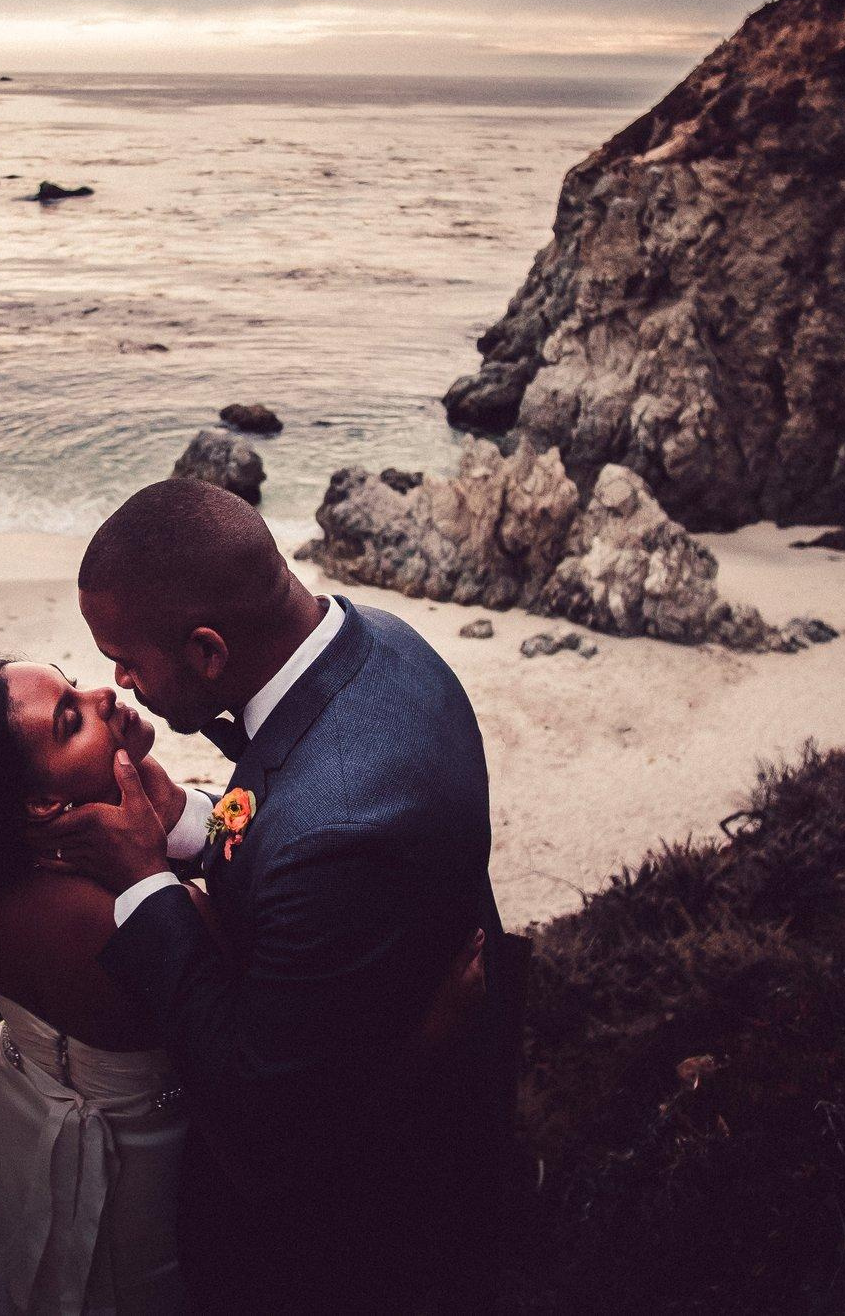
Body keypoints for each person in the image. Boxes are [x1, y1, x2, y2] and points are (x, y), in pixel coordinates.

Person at [0, 648, 489, 1316]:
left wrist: (140, 775)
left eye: (72, 685)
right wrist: (419, 1039)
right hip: (137, 1188)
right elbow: (289, 1064)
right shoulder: (110, 916)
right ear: (44, 802)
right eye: (71, 718)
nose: (103, 693)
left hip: (9, 1127)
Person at [27, 477, 509, 1314]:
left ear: (209, 651)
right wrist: (176, 815)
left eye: (129, 657)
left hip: (351, 1244)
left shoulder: (342, 832)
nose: (119, 679)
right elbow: (281, 809)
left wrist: (146, 882)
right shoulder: (381, 642)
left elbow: (262, 1131)